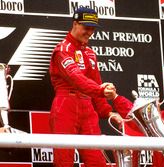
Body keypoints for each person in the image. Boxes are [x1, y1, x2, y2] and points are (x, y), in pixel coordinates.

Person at [49, 7, 121, 167]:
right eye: (86, 27)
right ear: (75, 23)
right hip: (65, 105)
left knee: (97, 161)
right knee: (64, 161)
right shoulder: (62, 50)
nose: (89, 32)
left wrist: (108, 112)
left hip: (87, 108)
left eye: (92, 29)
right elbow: (76, 79)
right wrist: (101, 90)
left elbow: (95, 82)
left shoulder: (90, 53)